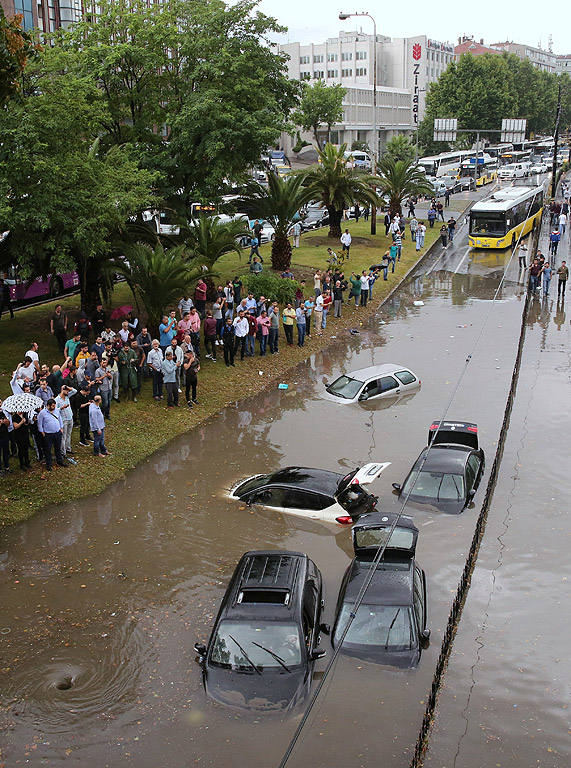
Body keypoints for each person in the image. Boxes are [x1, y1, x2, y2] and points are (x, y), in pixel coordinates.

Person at [38, 399, 66, 471]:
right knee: (48, 450)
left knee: (58, 448)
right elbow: (40, 424)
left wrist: (61, 428)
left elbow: (59, 419)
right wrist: (43, 433)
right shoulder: (42, 413)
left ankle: (59, 461)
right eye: (52, 406)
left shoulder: (56, 411)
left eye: (54, 405)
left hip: (57, 433)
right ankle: (49, 464)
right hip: (48, 434)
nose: (54, 407)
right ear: (48, 405)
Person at [55, 384, 76, 458]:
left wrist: (68, 387)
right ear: (62, 390)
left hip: (70, 417)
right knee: (63, 437)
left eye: (68, 390)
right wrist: (62, 408)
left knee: (69, 434)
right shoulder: (57, 400)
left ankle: (68, 448)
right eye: (66, 390)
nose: (68, 391)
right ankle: (63, 452)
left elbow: (74, 391)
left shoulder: (67, 396)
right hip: (63, 420)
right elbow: (55, 410)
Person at [0, 401, 12, 476]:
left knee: (6, 451)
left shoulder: (2, 413)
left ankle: (7, 466)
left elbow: (8, 423)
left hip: (5, 435)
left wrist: (4, 421)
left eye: (0, 402)